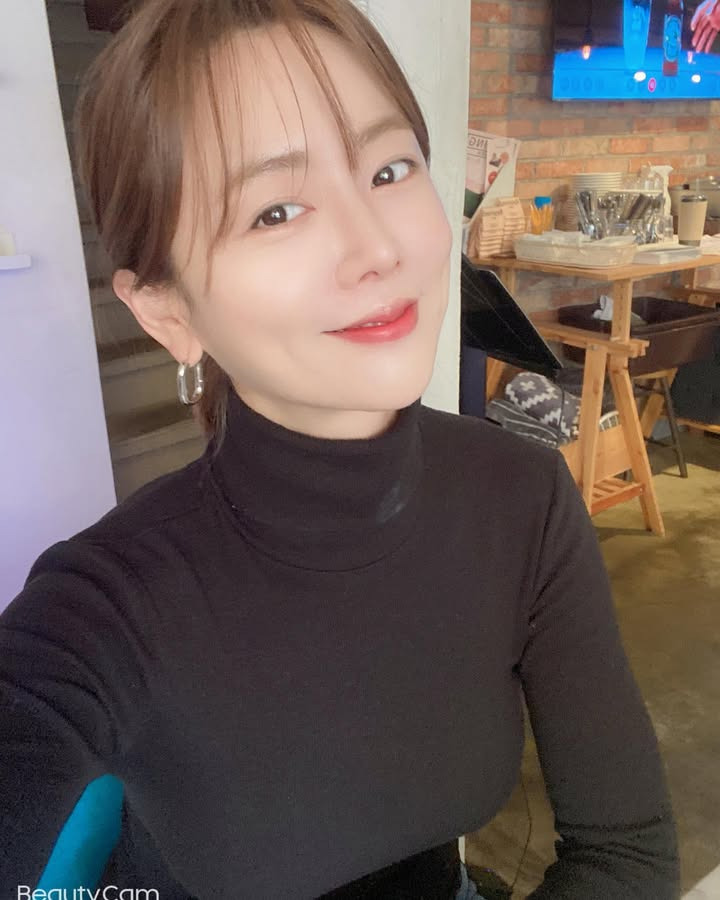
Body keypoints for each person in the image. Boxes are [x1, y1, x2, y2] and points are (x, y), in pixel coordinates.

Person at [0, 0, 680, 897]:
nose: (375, 247)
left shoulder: (522, 501)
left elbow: (626, 853)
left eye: (388, 169)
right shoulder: (102, 607)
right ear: (166, 312)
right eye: (275, 211)